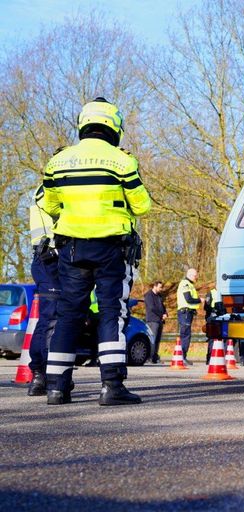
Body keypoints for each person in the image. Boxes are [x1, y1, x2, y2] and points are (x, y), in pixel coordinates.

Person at [42, 97, 151, 406]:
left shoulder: (58, 161)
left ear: (83, 124)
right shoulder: (122, 161)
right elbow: (142, 205)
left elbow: (49, 205)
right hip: (110, 249)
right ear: (114, 126)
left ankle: (56, 387)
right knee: (110, 313)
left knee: (68, 315)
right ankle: (112, 386)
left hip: (71, 248)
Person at [26, 184, 61, 396]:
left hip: (47, 257)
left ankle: (41, 374)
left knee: (47, 319)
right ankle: (49, 374)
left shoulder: (45, 187)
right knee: (53, 318)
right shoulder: (50, 187)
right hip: (50, 258)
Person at [177, 268, 203, 365]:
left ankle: (183, 356)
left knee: (186, 334)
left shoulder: (190, 284)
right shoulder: (185, 284)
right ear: (191, 275)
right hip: (185, 313)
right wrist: (200, 300)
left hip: (187, 313)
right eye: (196, 276)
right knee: (185, 335)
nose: (196, 278)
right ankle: (182, 357)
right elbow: (189, 299)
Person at [144, 281, 167, 364]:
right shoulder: (148, 295)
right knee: (152, 339)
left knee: (157, 340)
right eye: (160, 287)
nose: (161, 289)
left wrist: (165, 313)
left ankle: (155, 357)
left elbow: (163, 306)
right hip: (152, 320)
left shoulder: (159, 296)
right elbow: (151, 308)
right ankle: (149, 357)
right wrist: (161, 315)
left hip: (160, 320)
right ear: (155, 286)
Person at [204, 287, 225, 364]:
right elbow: (206, 307)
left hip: (223, 317)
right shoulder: (211, 293)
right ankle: (209, 358)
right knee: (212, 339)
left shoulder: (224, 291)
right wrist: (214, 311)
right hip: (212, 317)